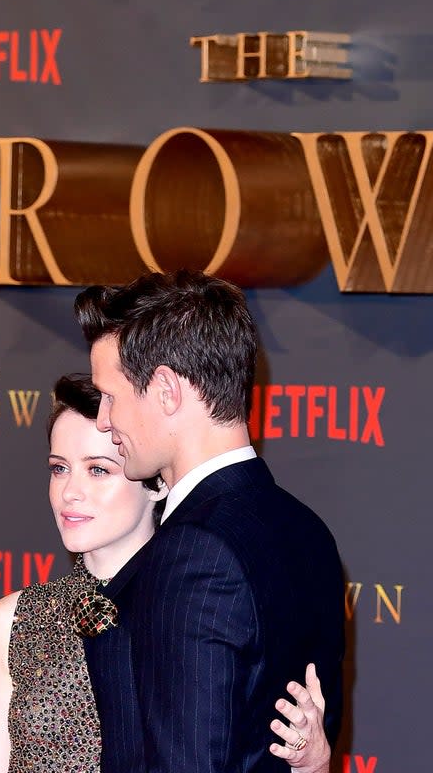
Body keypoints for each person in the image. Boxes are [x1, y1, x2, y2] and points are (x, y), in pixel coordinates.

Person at [0, 374, 332, 773]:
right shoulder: (16, 619)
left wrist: (313, 765)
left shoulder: (199, 608)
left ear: (155, 484)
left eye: (98, 470)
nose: (70, 491)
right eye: (59, 469)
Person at [75, 270, 346, 773]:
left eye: (110, 395)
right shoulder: (307, 530)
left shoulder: (194, 552)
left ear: (165, 391)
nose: (105, 420)